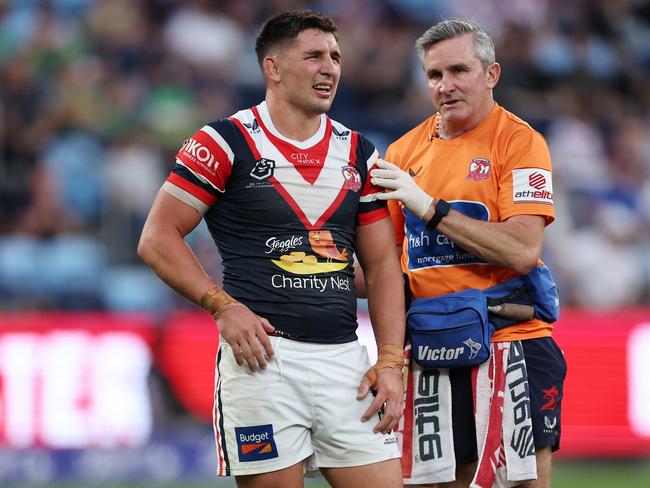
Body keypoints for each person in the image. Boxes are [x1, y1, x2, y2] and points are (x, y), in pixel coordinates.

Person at [137, 10, 406, 488]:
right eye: (314, 56)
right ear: (273, 68)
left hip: (345, 362)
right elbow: (157, 238)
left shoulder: (361, 153)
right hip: (262, 364)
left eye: (336, 57)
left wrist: (389, 360)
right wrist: (222, 306)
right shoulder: (224, 142)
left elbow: (383, 265)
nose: (330, 68)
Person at [368, 19, 567, 488]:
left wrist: (428, 208)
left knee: (521, 483)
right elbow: (387, 270)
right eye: (434, 75)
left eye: (459, 70)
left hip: (511, 341)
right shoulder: (403, 150)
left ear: (491, 74)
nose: (446, 85)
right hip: (433, 347)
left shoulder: (519, 142)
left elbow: (522, 250)